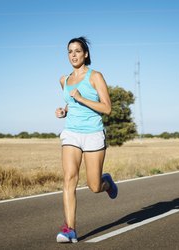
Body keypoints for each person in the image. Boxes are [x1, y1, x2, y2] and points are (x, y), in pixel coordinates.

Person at [55, 36, 118, 243]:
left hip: (93, 134)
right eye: (70, 51)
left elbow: (107, 108)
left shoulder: (95, 77)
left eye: (77, 51)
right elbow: (70, 104)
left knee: (93, 186)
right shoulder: (64, 80)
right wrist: (64, 111)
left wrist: (82, 98)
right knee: (69, 178)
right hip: (71, 133)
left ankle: (106, 183)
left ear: (86, 54)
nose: (73, 55)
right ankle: (70, 229)